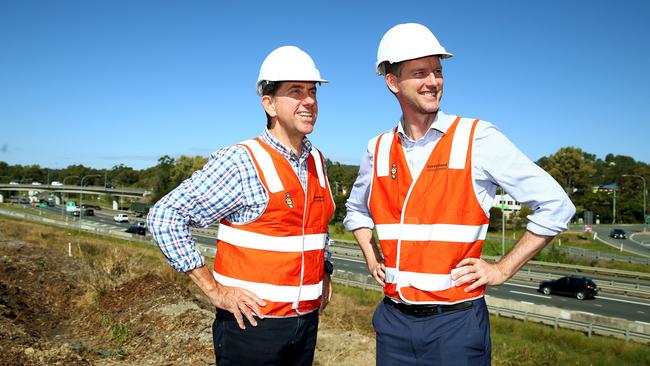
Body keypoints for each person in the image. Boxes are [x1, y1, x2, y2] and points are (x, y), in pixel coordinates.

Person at [344, 23, 575, 365]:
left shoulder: (477, 138)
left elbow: (556, 206)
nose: (433, 81)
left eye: (438, 71)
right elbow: (356, 211)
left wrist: (503, 269)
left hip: (456, 326)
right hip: (393, 324)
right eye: (420, 72)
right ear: (392, 82)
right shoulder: (376, 149)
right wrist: (370, 254)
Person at [147, 45, 336, 365]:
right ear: (270, 103)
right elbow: (164, 217)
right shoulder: (243, 161)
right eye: (296, 91)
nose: (309, 101)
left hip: (305, 326)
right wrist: (214, 290)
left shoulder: (317, 161)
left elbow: (318, 229)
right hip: (252, 328)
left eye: (312, 91)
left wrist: (325, 272)